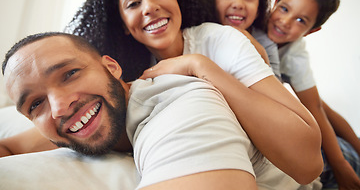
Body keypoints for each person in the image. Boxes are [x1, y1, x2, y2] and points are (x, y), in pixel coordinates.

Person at [65, 0, 323, 183]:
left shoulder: (221, 40)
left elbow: (309, 165)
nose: (150, 7)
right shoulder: (133, 76)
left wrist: (198, 65)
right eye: (133, 3)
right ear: (122, 24)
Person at [2, 32, 303, 189]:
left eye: (69, 74)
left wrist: (200, 64)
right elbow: (8, 146)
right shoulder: (77, 119)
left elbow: (307, 159)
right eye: (35, 104)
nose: (58, 107)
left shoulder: (181, 106)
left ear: (112, 67)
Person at [266, 0, 360, 189]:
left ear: (312, 31)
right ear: (276, 1)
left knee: (316, 104)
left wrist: (340, 164)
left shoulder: (294, 54)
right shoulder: (254, 20)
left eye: (301, 20)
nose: (285, 21)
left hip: (288, 93)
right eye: (284, 9)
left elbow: (316, 108)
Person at [198, 0, 281, 79]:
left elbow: (278, 93)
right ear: (212, 0)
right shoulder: (197, 35)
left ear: (259, 8)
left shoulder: (265, 43)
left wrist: (261, 54)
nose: (238, 4)